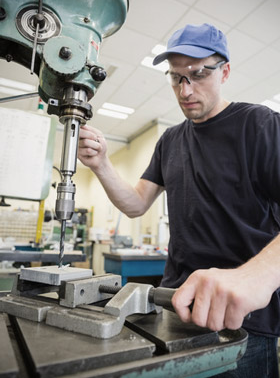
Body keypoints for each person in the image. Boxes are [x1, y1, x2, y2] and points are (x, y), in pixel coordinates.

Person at [78, 23, 280, 377]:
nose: (185, 89)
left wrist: (254, 278)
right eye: (175, 77)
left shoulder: (260, 125)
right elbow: (136, 203)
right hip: (175, 306)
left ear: (225, 72)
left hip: (243, 320)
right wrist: (102, 165)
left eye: (198, 74)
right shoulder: (170, 140)